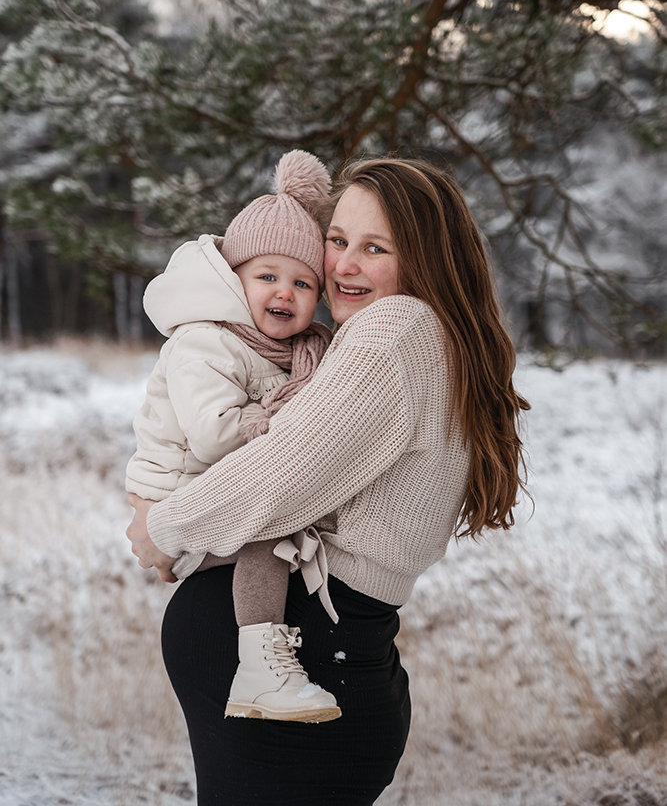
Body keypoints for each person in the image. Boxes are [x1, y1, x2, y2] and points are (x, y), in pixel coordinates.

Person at [127, 156, 529, 806]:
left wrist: (161, 528)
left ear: (423, 258)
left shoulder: (392, 333)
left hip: (310, 669)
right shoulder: (439, 338)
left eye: (374, 248)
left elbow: (277, 475)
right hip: (331, 662)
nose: (341, 265)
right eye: (337, 240)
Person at [126, 149, 340, 722]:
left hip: (199, 494)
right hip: (177, 497)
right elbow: (214, 436)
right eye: (266, 276)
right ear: (233, 280)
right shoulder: (207, 341)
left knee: (274, 520)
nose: (284, 293)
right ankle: (262, 670)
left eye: (302, 283)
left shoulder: (285, 351)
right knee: (267, 531)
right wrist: (272, 420)